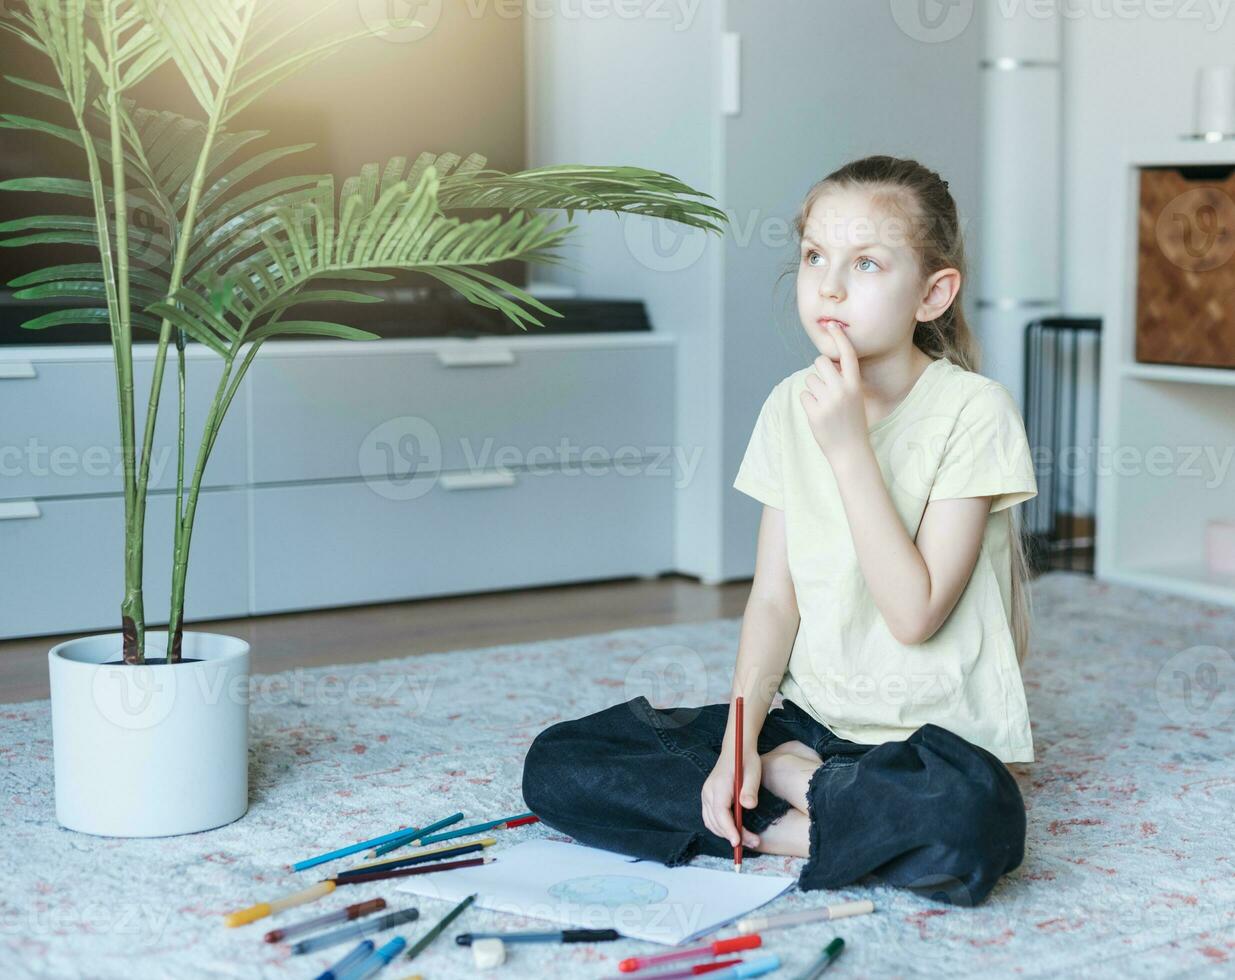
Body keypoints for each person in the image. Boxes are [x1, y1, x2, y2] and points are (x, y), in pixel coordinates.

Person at [521, 155, 1039, 907]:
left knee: (974, 825)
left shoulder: (973, 411)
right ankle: (826, 809)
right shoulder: (787, 404)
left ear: (932, 293)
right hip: (810, 716)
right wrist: (737, 745)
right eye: (813, 257)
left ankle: (793, 806)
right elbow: (772, 600)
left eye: (865, 263)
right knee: (561, 763)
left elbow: (913, 612)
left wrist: (847, 449)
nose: (829, 285)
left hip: (930, 740)